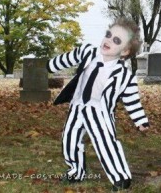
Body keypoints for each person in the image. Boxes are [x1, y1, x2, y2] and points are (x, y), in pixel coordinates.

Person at [46, 19, 149, 191]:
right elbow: (69, 57)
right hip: (77, 107)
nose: (108, 40)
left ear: (125, 51)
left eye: (116, 40)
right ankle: (76, 172)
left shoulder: (125, 76)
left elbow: (132, 100)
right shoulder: (88, 52)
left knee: (106, 143)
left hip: (100, 113)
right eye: (108, 35)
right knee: (69, 140)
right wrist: (50, 65)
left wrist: (140, 121)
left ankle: (120, 178)